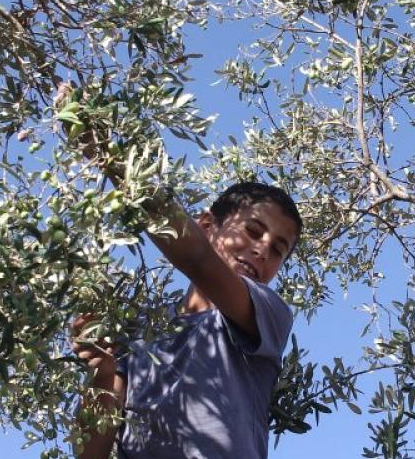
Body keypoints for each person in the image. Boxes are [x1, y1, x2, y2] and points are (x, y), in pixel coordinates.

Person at [71, 181, 301, 459]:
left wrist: (120, 166)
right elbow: (90, 452)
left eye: (277, 250)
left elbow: (198, 259)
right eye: (252, 231)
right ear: (205, 225)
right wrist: (103, 373)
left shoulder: (270, 314)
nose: (262, 250)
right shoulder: (139, 329)